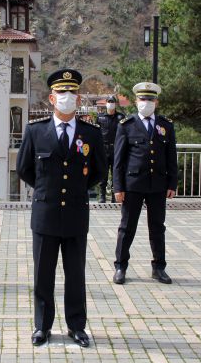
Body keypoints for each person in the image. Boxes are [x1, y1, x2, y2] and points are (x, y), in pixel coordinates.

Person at [17, 68, 106, 348]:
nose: (67, 97)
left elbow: (99, 171)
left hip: (76, 214)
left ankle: (76, 327)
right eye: (61, 93)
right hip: (45, 214)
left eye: (71, 92)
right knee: (43, 274)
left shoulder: (91, 133)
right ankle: (42, 326)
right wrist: (46, 190)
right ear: (51, 98)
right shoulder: (35, 130)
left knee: (76, 275)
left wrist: (78, 191)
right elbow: (24, 169)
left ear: (78, 99)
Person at [112, 82, 177, 285]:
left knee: (157, 227)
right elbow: (118, 160)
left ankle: (159, 268)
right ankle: (121, 266)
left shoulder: (166, 125)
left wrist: (172, 183)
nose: (146, 103)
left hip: (157, 184)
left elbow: (171, 157)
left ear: (156, 102)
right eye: (143, 99)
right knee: (126, 227)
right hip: (133, 185)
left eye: (150, 99)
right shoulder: (127, 125)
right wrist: (118, 187)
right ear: (136, 101)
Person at [97, 94, 125, 203]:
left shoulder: (121, 117)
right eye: (109, 101)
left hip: (117, 148)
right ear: (106, 103)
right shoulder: (100, 117)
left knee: (116, 173)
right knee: (103, 173)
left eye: (112, 102)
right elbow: (96, 133)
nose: (110, 103)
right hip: (104, 149)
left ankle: (114, 195)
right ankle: (102, 195)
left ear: (116, 104)